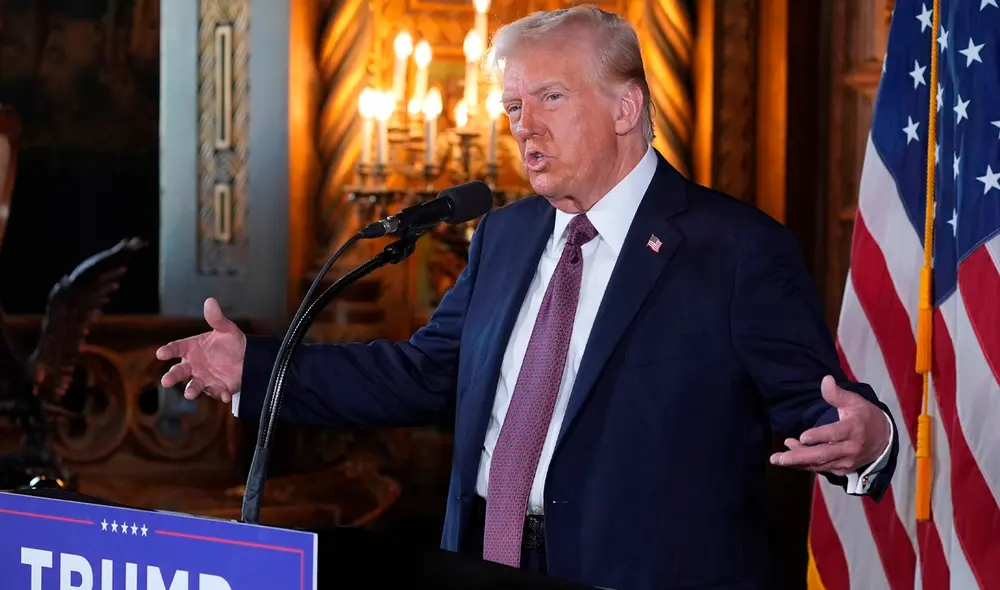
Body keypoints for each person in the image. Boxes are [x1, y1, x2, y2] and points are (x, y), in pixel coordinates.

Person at [157, 5, 897, 589]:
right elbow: (422, 375)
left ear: (625, 107)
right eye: (513, 106)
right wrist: (256, 368)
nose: (525, 126)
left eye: (549, 97)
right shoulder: (504, 235)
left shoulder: (736, 248)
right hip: (484, 561)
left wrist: (867, 440)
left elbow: (818, 408)